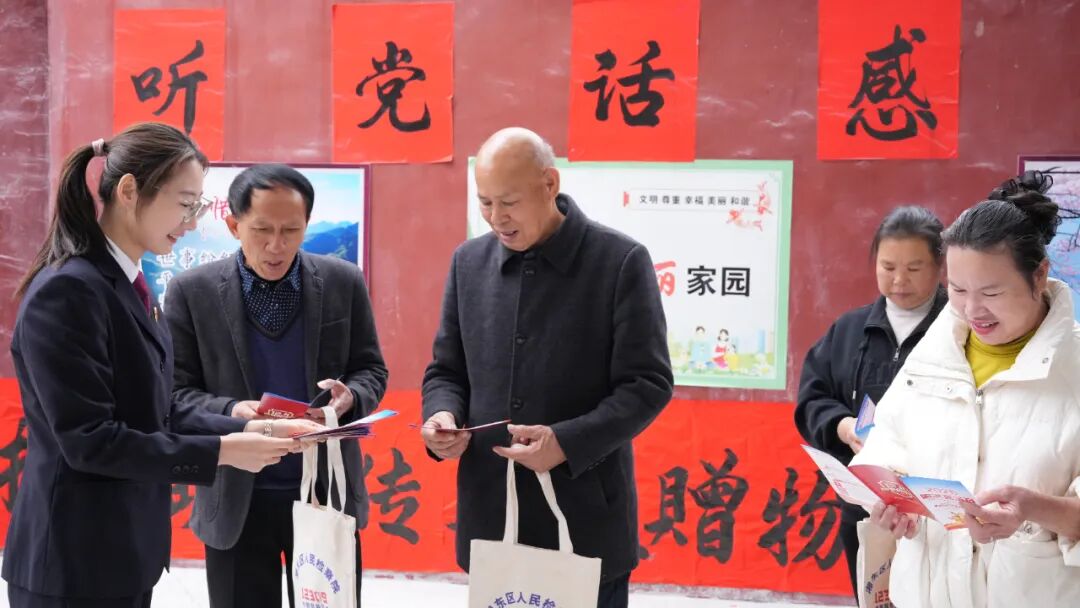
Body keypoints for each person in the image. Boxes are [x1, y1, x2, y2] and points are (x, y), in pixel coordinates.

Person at [4, 123, 320, 607]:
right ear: (130, 191)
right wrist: (223, 451)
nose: (191, 223)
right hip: (73, 562)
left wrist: (247, 424)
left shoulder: (127, 285)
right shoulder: (70, 292)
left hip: (124, 553)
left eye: (197, 207)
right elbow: (90, 441)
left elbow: (153, 407)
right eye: (185, 204)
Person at [420, 127, 674, 608]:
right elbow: (446, 370)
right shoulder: (468, 262)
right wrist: (442, 415)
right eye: (485, 202)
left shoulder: (619, 261)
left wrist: (567, 442)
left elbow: (647, 384)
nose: (496, 217)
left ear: (549, 183)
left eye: (509, 202)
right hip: (493, 515)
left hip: (586, 517)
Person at [166, 163, 388, 608]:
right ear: (234, 225)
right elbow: (175, 393)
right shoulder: (192, 292)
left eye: (291, 230)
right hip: (236, 497)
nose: (276, 245)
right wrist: (233, 411)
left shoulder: (343, 282)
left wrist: (351, 397)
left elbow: (370, 369)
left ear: (307, 224)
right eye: (262, 229)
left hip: (325, 493)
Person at [854, 172, 1080, 606]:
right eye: (957, 289)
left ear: (1039, 276)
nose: (972, 310)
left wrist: (1032, 509)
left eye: (991, 292)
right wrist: (890, 501)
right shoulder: (933, 355)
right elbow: (886, 441)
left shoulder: (1074, 370)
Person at [794, 205, 948, 596]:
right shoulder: (849, 329)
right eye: (888, 266)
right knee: (873, 596)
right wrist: (842, 426)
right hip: (865, 505)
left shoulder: (959, 330)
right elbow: (813, 397)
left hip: (936, 513)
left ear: (939, 266)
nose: (899, 280)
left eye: (914, 268)